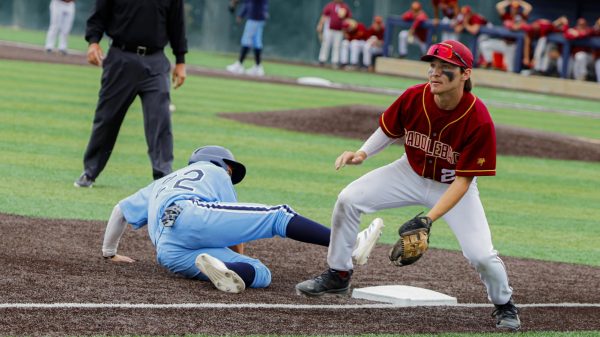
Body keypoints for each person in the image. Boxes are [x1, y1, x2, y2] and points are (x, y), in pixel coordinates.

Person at [296, 40, 521, 331]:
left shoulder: (478, 120)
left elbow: (464, 180)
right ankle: (338, 274)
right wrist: (362, 153)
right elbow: (389, 129)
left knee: (481, 255)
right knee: (348, 199)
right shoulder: (415, 97)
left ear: (465, 74)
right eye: (433, 66)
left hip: (451, 186)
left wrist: (429, 218)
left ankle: (504, 304)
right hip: (408, 172)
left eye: (445, 68)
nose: (435, 73)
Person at [101, 145, 383, 293]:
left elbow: (120, 211)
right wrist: (235, 249)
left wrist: (109, 253)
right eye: (231, 169)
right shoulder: (212, 171)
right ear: (221, 164)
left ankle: (224, 271)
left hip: (168, 252)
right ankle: (350, 244)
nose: (230, 175)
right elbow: (236, 234)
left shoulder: (162, 183)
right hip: (191, 213)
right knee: (277, 215)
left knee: (259, 272)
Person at [74, 0, 188, 188]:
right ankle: (90, 172)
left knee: (160, 120)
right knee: (107, 119)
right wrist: (93, 42)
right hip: (121, 58)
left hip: (155, 62)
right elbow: (99, 14)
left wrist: (181, 60)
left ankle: (162, 176)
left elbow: (177, 23)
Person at [226, 0, 269, 76]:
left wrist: (236, 2)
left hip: (255, 17)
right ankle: (258, 67)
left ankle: (239, 65)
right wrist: (241, 15)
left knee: (246, 40)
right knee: (256, 42)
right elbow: (248, 3)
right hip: (257, 16)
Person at [316, 0, 352, 68]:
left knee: (337, 46)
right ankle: (322, 60)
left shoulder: (345, 6)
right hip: (329, 28)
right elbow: (324, 16)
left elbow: (348, 18)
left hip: (339, 30)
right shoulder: (330, 5)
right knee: (325, 44)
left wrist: (346, 28)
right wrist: (320, 24)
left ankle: (335, 62)